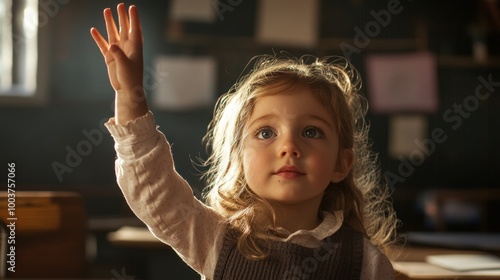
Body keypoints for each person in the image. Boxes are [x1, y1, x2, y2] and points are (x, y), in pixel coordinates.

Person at [91, 3, 398, 279]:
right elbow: (153, 187)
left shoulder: (366, 263)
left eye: (311, 132)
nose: (288, 147)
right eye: (266, 133)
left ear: (341, 164)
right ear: (239, 156)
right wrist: (129, 92)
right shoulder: (213, 238)